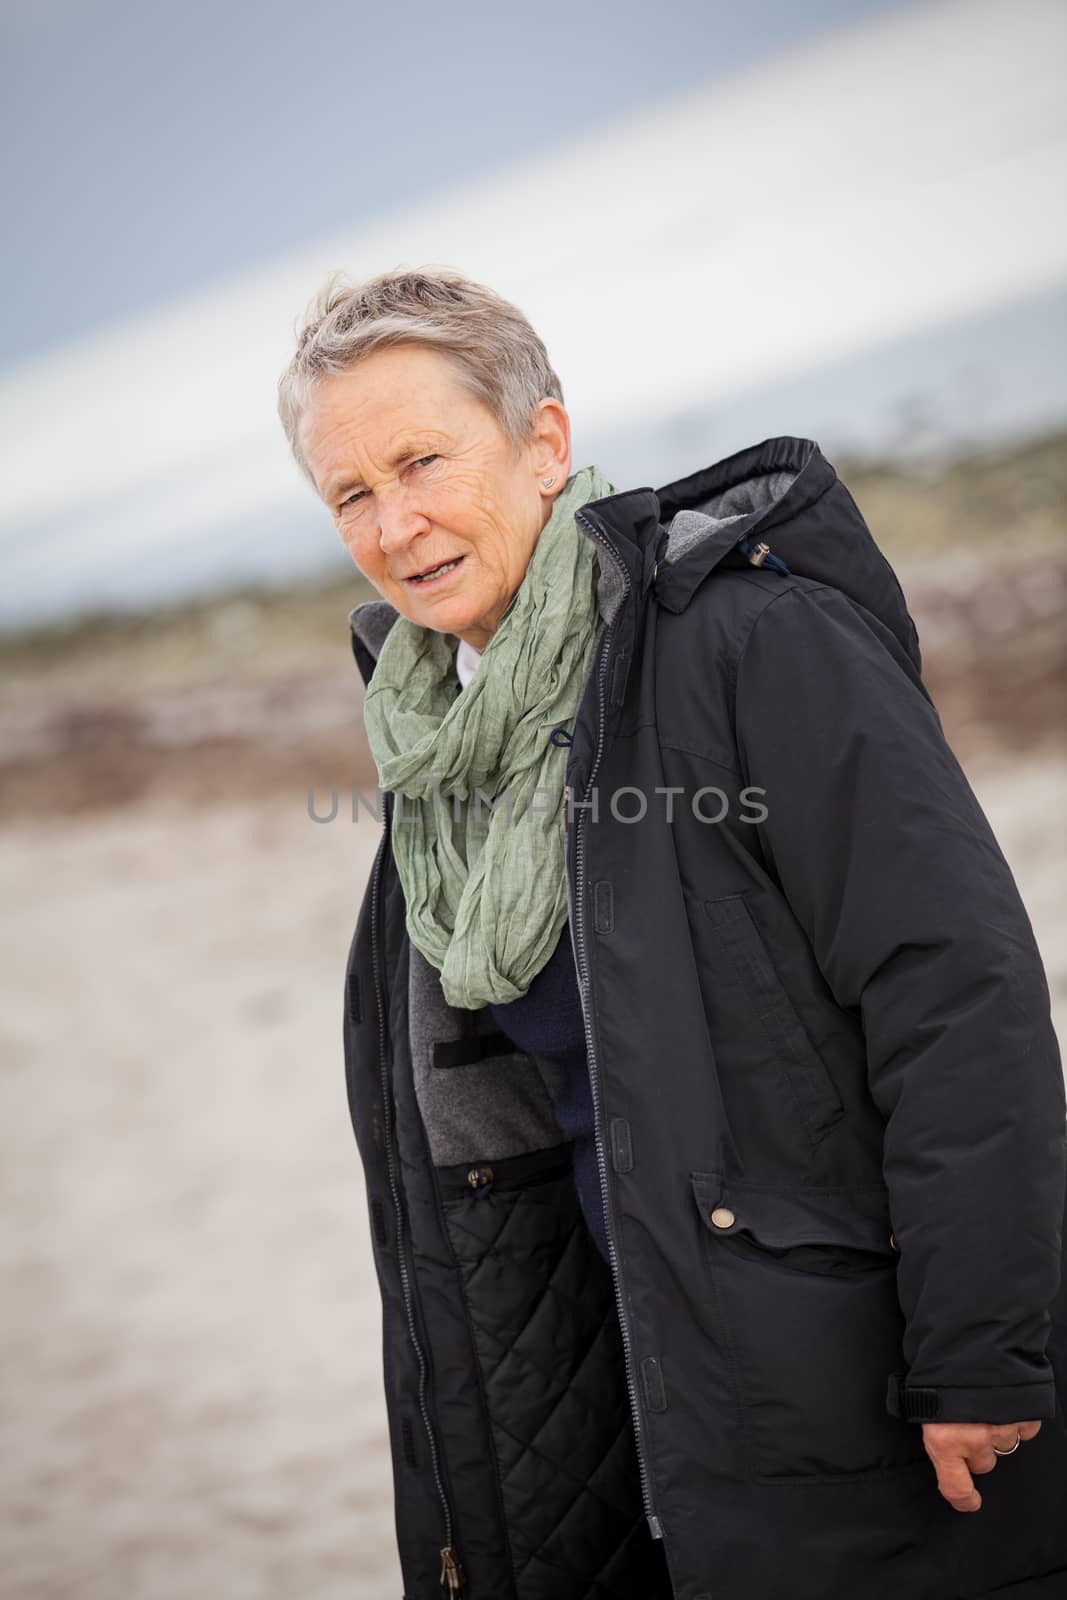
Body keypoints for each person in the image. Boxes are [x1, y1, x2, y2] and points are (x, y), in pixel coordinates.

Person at [276, 267, 1067, 1599]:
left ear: (545, 444)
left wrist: (982, 1350)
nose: (396, 521)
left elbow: (955, 995)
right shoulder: (433, 767)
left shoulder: (750, 646)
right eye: (351, 492)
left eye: (423, 459)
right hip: (635, 1394)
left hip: (868, 1388)